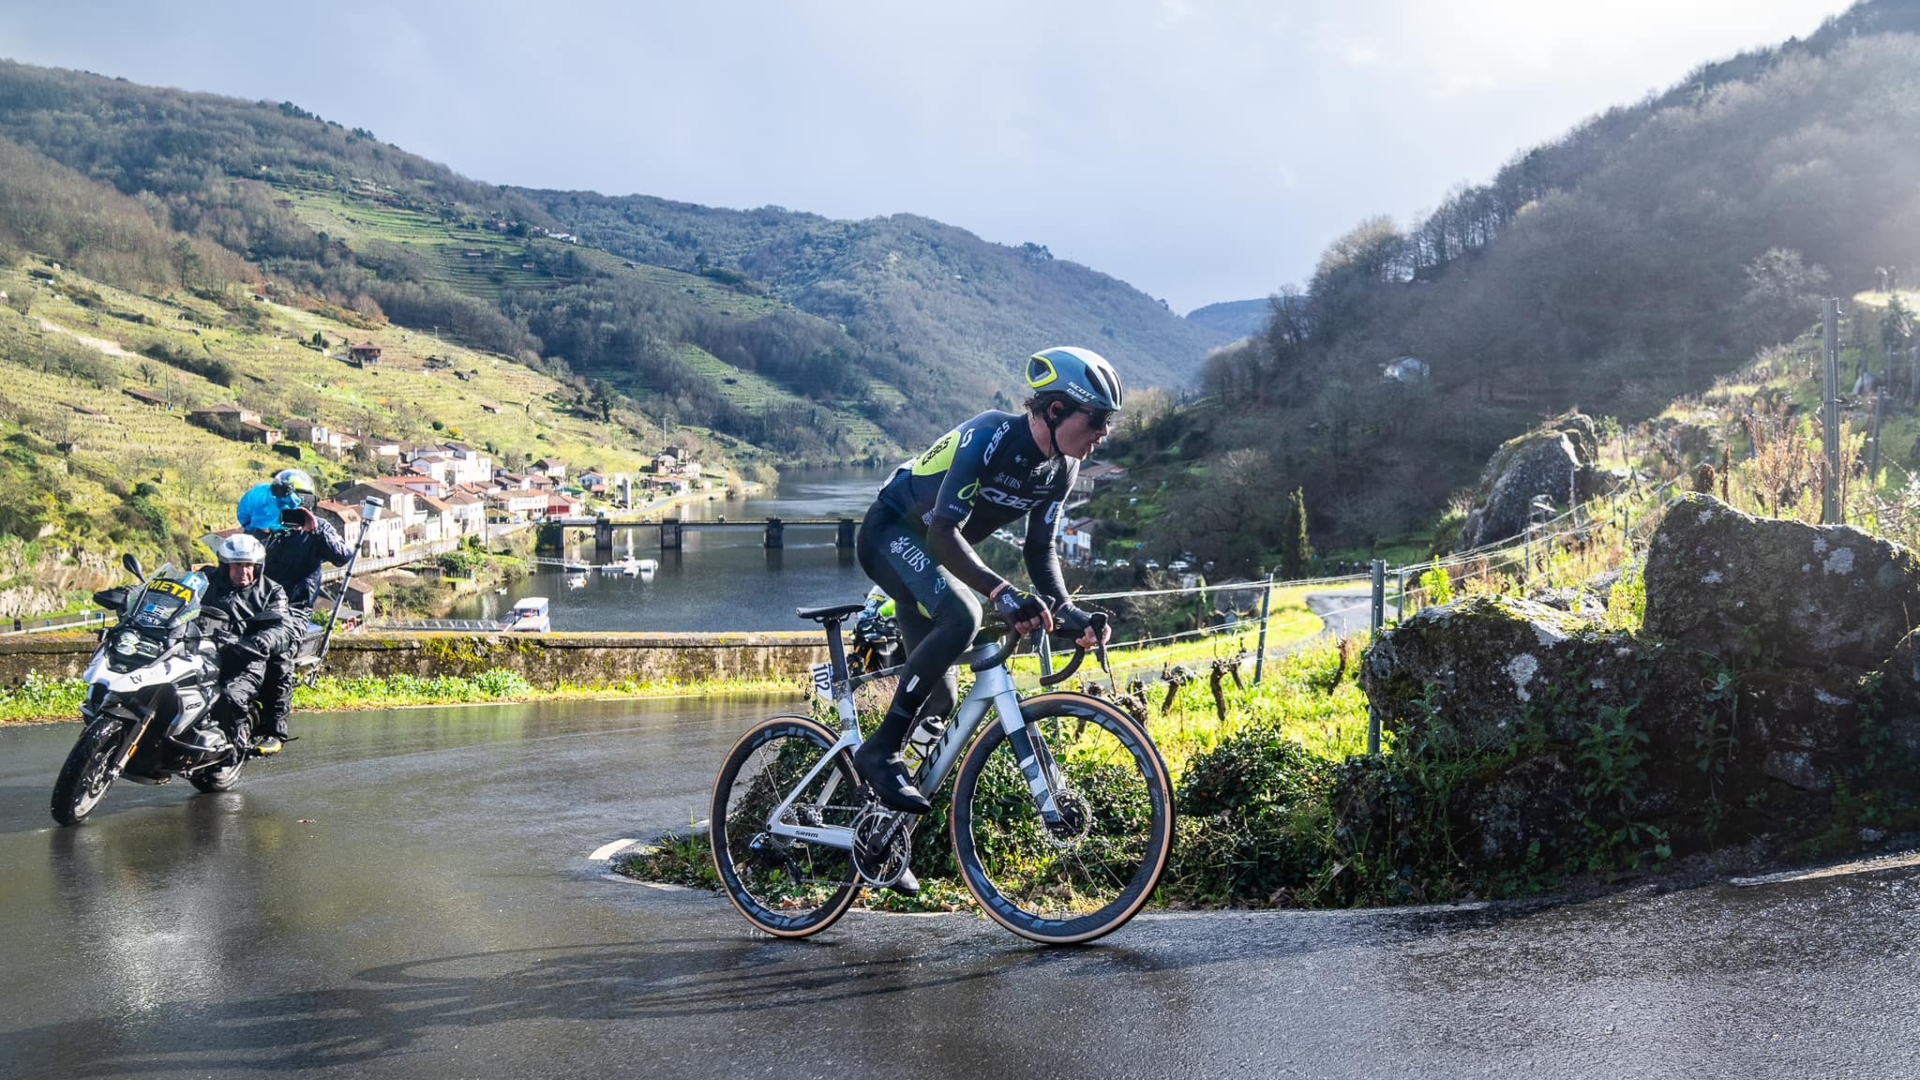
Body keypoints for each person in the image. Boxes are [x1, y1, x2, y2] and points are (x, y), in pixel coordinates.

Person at [854, 345, 1119, 817]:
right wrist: (1002, 592)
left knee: (939, 699)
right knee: (965, 615)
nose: (1103, 433)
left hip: (934, 558)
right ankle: (879, 752)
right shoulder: (990, 435)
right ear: (1056, 410)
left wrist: (1068, 614)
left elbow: (1039, 551)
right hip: (890, 534)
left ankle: (878, 830)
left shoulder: (1063, 468)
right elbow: (940, 533)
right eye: (1097, 419)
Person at [242, 468, 354, 754]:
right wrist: (263, 531)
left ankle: (275, 732)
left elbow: (342, 557)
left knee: (280, 658)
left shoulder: (317, 529)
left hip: (293, 609)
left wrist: (315, 528)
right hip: (254, 605)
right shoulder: (262, 529)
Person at [199, 533, 295, 755]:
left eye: (248, 565)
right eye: (236, 565)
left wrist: (263, 640)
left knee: (229, 696)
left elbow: (283, 628)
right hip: (202, 652)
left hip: (246, 660)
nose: (243, 571)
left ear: (257, 566)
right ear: (224, 566)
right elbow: (180, 593)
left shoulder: (272, 591)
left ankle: (235, 746)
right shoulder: (206, 581)